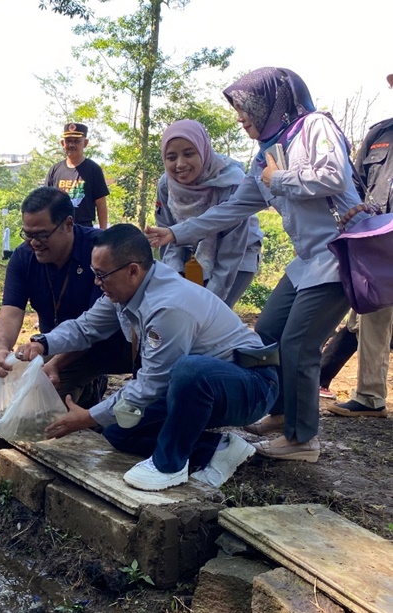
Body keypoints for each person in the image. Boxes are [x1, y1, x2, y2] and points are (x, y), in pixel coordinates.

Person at [145, 67, 366, 463]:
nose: (240, 117)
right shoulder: (267, 150)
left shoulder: (313, 127)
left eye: (245, 107)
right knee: (267, 331)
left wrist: (278, 178)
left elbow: (333, 176)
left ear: (271, 103)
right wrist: (175, 235)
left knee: (298, 343)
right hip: (307, 261)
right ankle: (282, 414)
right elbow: (232, 210)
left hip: (339, 254)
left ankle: (303, 440)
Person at [16, 224, 279, 491]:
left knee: (190, 370)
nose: (97, 282)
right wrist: (42, 343)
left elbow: (152, 384)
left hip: (251, 385)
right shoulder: (124, 291)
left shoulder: (168, 306)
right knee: (119, 431)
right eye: (95, 274)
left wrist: (88, 417)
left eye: (102, 275)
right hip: (197, 388)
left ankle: (169, 465)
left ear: (132, 270)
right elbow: (86, 327)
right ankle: (218, 449)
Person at [0, 187, 130, 407]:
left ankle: (89, 387)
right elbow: (11, 310)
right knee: (17, 388)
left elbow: (95, 328)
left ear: (68, 224)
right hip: (54, 343)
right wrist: (0, 349)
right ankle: (83, 392)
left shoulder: (99, 251)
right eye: (28, 234)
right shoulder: (23, 257)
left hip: (106, 345)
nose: (34, 243)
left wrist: (56, 363)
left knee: (46, 401)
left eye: (42, 235)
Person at [325, 76, 393, 418]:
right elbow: (355, 181)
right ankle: (370, 397)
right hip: (378, 238)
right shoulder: (379, 135)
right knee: (372, 314)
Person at [155, 120, 262, 307]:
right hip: (189, 253)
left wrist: (211, 301)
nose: (180, 164)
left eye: (189, 154)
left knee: (212, 315)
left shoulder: (230, 181)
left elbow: (232, 249)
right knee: (184, 311)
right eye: (171, 157)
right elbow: (167, 234)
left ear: (203, 150)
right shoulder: (166, 185)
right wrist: (176, 276)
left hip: (238, 254)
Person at [45, 122, 110, 229]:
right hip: (59, 228)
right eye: (68, 141)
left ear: (85, 143)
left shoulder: (93, 169)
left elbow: (101, 203)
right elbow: (46, 201)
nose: (71, 145)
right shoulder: (54, 170)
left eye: (76, 141)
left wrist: (103, 233)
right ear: (62, 143)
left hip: (84, 229)